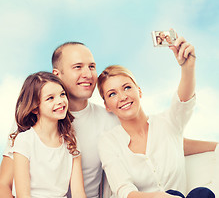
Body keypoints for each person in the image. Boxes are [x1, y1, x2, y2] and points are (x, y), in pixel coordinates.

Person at [0, 41, 217, 198]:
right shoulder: (31, 124)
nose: (88, 73)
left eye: (91, 66)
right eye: (78, 67)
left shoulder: (110, 118)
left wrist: (215, 146)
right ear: (57, 74)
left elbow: (163, 141)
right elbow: (4, 185)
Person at [97, 36, 216, 198]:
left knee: (202, 194)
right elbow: (124, 189)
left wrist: (188, 67)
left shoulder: (167, 123)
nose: (122, 97)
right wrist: (159, 196)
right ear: (107, 106)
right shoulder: (108, 142)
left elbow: (183, 101)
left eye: (126, 87)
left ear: (139, 91)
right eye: (112, 94)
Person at [10, 72, 86, 198]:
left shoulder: (72, 142)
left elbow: (78, 193)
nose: (60, 101)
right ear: (34, 108)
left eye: (62, 94)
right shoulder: (25, 141)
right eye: (50, 98)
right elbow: (23, 195)